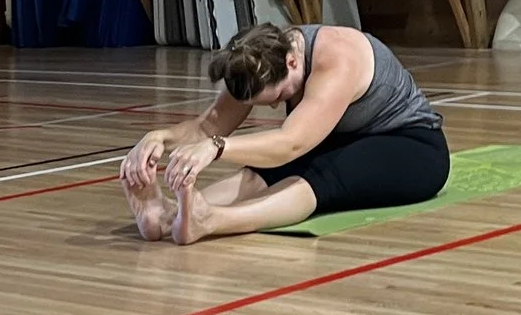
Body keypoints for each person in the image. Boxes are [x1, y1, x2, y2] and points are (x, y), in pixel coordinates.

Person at [120, 22, 449, 242]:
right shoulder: (255, 59)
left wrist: (217, 147)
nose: (278, 106)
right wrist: (158, 138)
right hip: (348, 139)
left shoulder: (337, 57)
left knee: (317, 173)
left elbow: (292, 143)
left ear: (293, 62)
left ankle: (211, 221)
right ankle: (168, 216)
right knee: (265, 168)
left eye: (279, 97)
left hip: (412, 146)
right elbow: (209, 127)